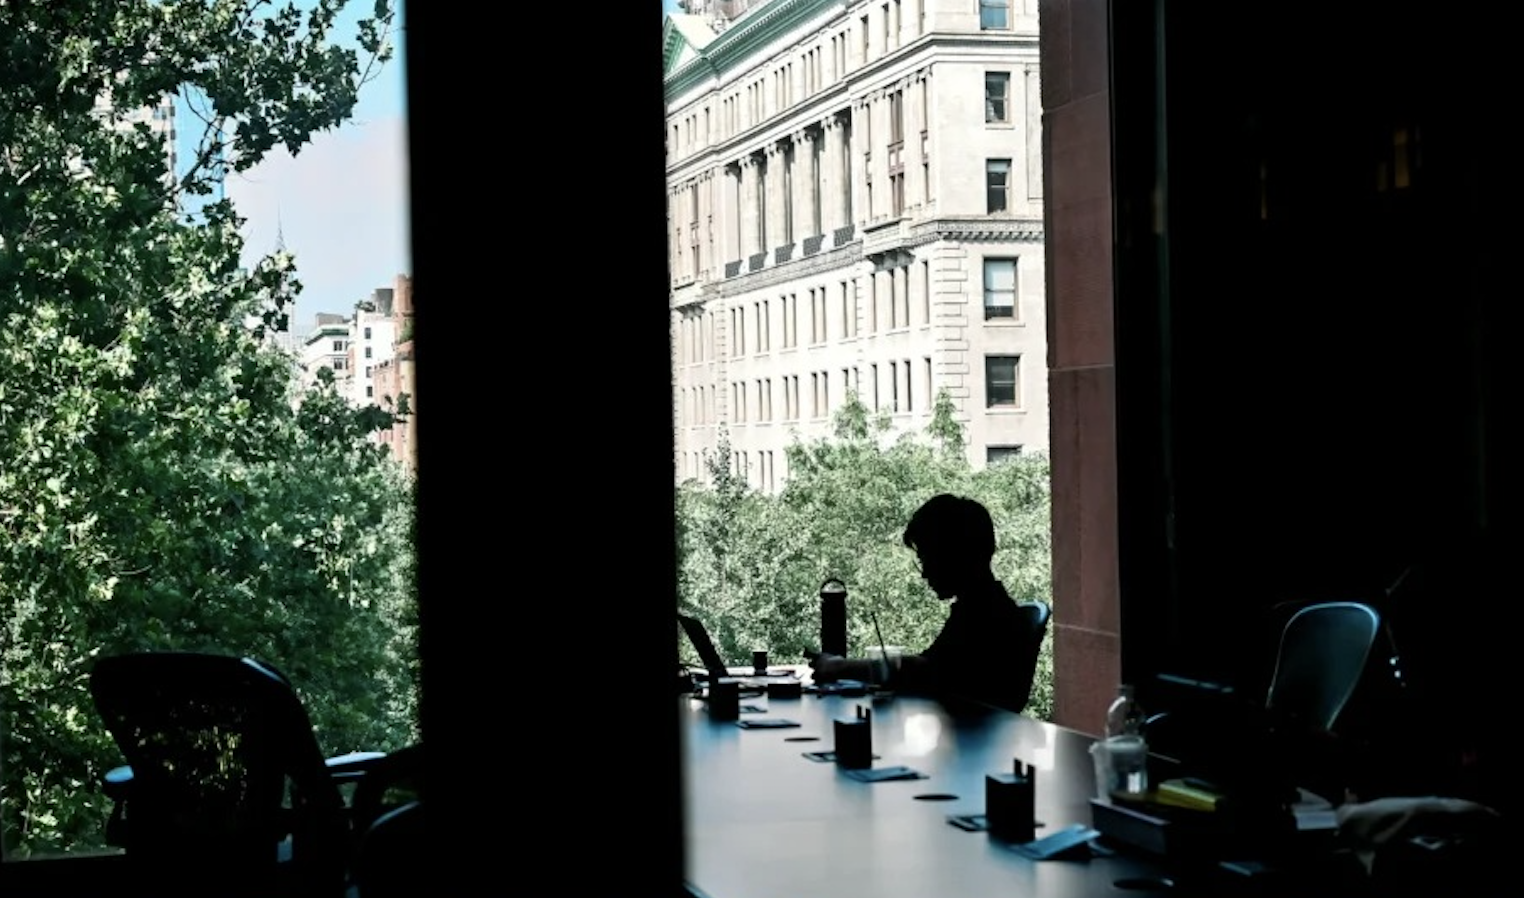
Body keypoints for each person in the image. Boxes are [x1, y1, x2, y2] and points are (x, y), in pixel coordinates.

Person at [809, 494, 1044, 713]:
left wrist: (837, 667)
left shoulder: (985, 614)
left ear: (954, 555)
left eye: (927, 558)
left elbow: (925, 670)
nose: (924, 573)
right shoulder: (986, 606)